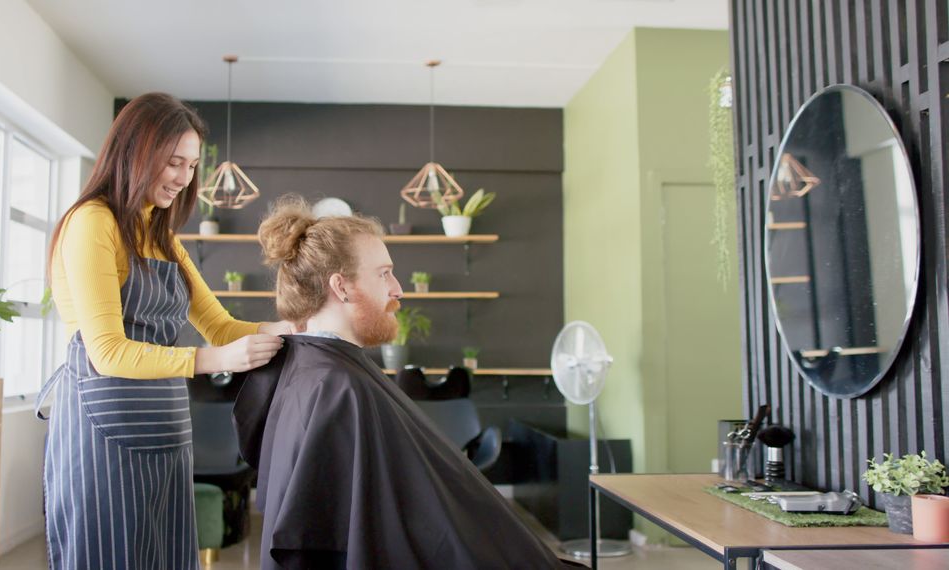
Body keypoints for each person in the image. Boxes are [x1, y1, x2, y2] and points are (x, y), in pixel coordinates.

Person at [233, 195, 581, 569]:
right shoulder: (339, 388)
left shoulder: (308, 370)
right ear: (342, 287)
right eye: (384, 273)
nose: (398, 288)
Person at [37, 92, 291, 570]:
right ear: (135, 152)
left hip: (165, 433)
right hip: (103, 436)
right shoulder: (93, 223)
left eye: (192, 165)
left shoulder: (161, 236)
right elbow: (107, 352)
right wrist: (214, 361)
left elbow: (219, 326)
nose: (183, 178)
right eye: (173, 162)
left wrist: (296, 328)